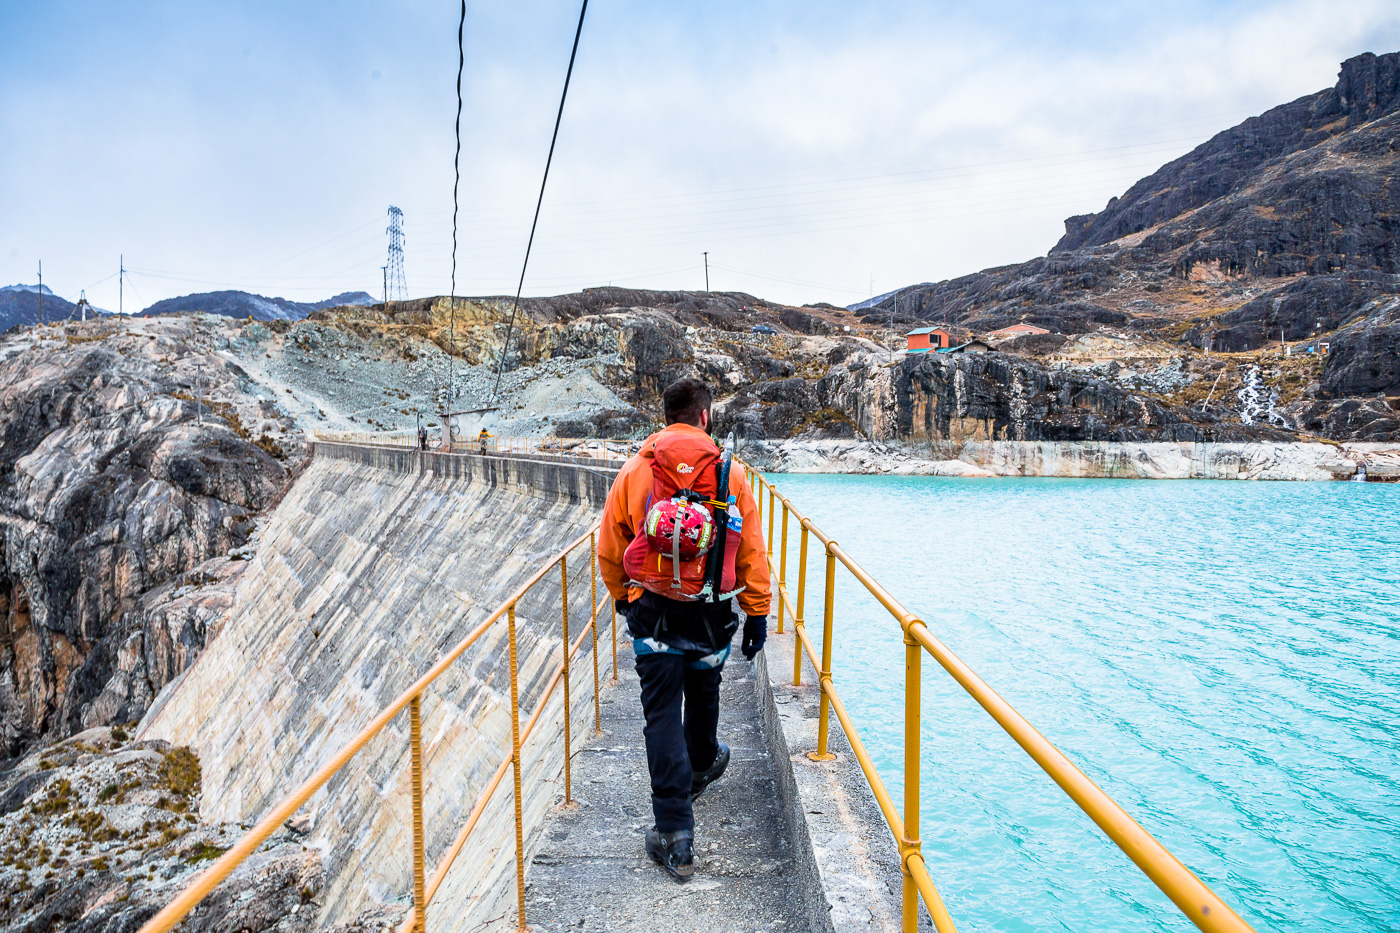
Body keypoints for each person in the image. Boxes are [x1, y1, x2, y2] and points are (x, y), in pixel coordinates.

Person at [598, 377, 770, 880]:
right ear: (705, 416)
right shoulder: (729, 473)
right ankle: (701, 763)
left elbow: (611, 546)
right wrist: (756, 612)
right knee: (704, 690)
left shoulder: (636, 469)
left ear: (666, 414)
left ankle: (675, 836)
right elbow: (752, 551)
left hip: (652, 611)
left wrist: (622, 598)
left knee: (660, 717)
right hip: (711, 612)